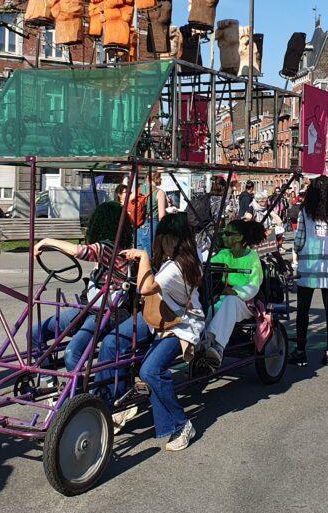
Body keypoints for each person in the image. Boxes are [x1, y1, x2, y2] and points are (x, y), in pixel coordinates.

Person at [30, 202, 146, 403]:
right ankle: (52, 383)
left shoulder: (110, 248)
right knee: (35, 333)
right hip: (88, 307)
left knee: (72, 352)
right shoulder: (107, 249)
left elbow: (77, 251)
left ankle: (82, 403)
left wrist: (46, 241)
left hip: (107, 311)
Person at [123, 212, 204, 452]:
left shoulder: (174, 267)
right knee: (149, 370)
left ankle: (182, 423)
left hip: (183, 326)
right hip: (175, 321)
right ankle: (168, 424)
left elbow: (144, 288)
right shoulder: (190, 257)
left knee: (150, 370)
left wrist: (144, 256)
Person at [291, 175, 328, 368]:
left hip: (309, 266)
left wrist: (300, 251)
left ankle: (301, 352)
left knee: (303, 309)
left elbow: (299, 241)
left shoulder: (304, 214)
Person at [203, 219, 265, 366]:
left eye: (227, 233)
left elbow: (254, 285)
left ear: (239, 237)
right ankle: (201, 341)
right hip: (221, 298)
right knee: (206, 305)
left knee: (230, 301)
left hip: (245, 303)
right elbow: (208, 266)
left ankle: (218, 346)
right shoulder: (224, 254)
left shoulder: (252, 257)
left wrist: (236, 293)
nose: (223, 236)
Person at [134, 171, 167, 256]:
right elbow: (162, 216)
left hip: (138, 223)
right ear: (157, 179)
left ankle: (137, 268)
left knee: (138, 252)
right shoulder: (159, 192)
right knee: (150, 253)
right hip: (152, 223)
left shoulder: (139, 189)